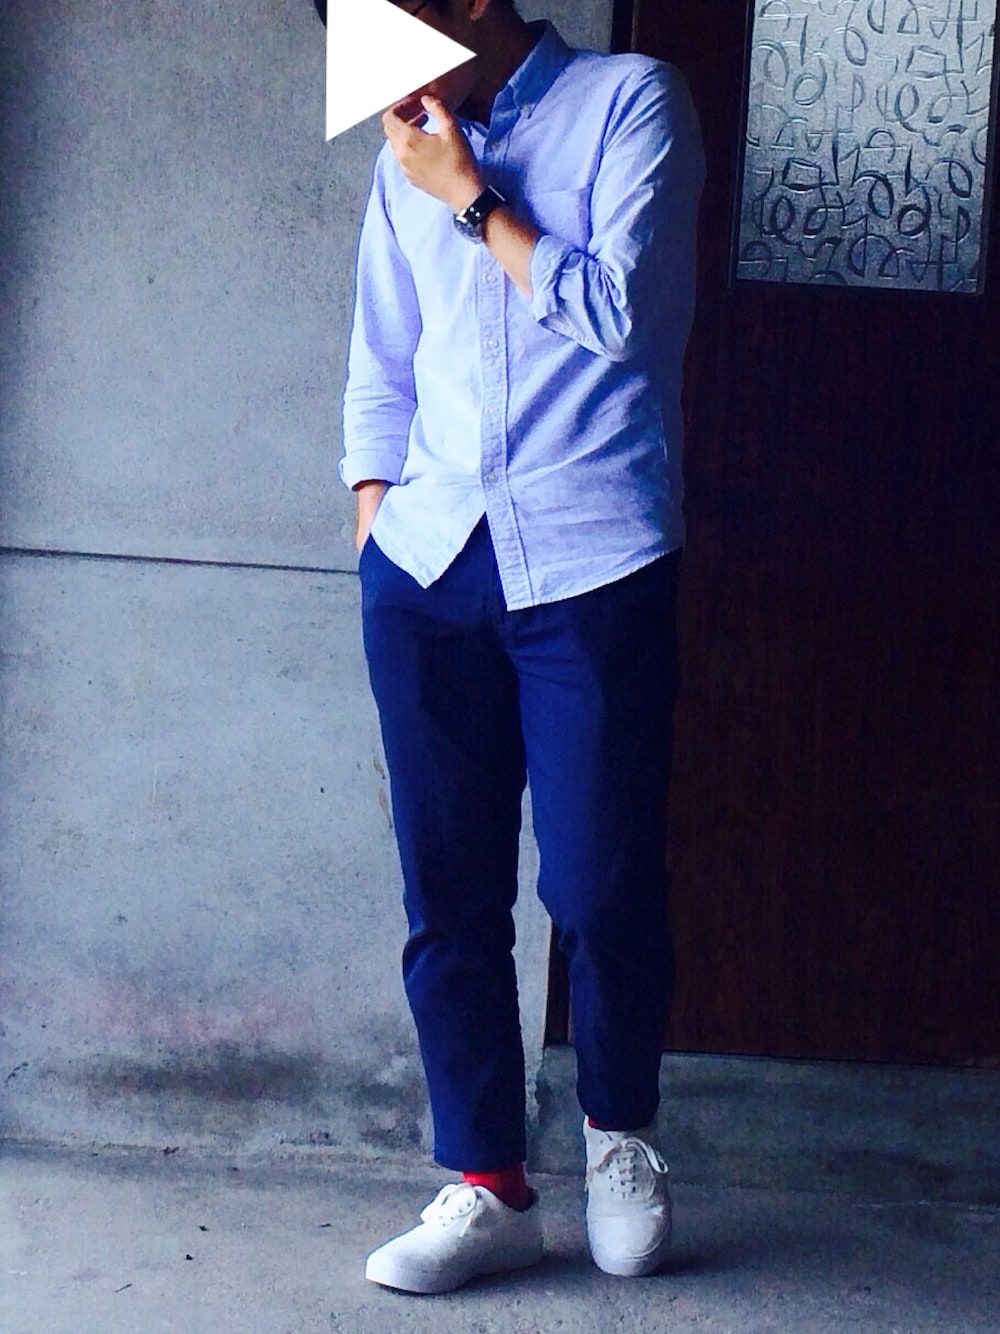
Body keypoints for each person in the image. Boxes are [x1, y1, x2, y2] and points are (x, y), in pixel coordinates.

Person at [334, 0, 704, 1293]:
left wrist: (471, 195)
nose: (370, 54)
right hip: (428, 561)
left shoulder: (633, 104)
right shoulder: (404, 148)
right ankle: (487, 1180)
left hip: (593, 556)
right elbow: (383, 355)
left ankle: (618, 1136)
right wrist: (375, 519)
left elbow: (618, 311)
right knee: (447, 892)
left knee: (600, 885)